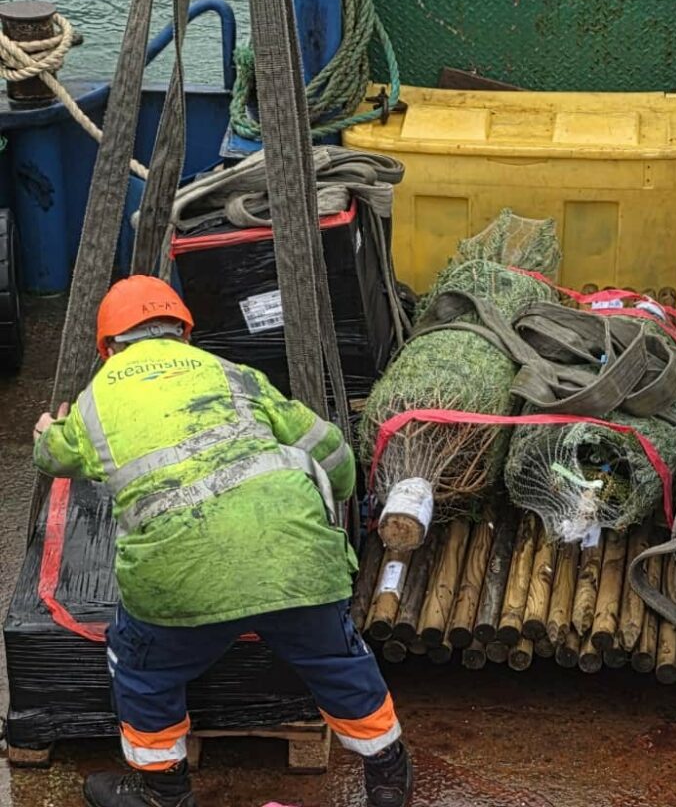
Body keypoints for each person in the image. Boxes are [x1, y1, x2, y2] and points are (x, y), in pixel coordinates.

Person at [33, 275, 412, 807]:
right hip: (297, 560)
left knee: (144, 670)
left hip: (181, 581)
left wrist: (47, 431)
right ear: (184, 334)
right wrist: (344, 502)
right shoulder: (234, 374)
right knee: (338, 661)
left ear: (110, 346)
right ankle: (389, 777)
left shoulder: (96, 400)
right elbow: (331, 453)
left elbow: (52, 458)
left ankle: (163, 793)